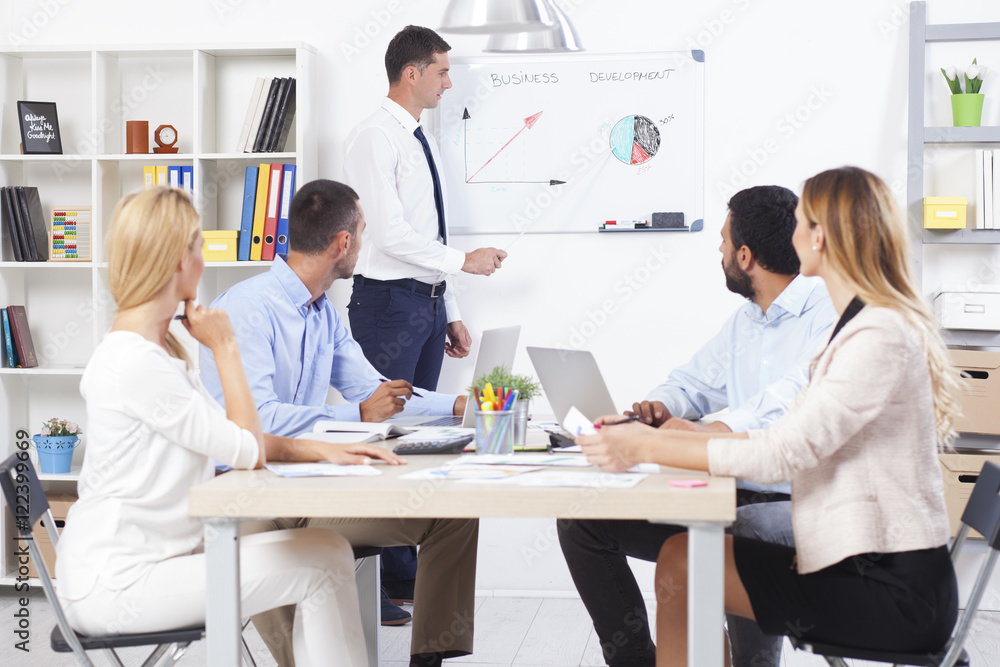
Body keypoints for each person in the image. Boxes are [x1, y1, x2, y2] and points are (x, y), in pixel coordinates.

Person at [579, 167, 961, 667]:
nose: (790, 233)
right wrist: (659, 437)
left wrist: (647, 445)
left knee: (688, 564)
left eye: (801, 221)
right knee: (680, 559)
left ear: (820, 237)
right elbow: (783, 434)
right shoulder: (855, 326)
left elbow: (783, 451)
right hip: (856, 559)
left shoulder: (876, 335)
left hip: (891, 589)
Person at [54, 187, 369, 666]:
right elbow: (245, 448)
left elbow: (232, 438)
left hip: (149, 563)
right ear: (180, 260)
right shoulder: (138, 363)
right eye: (200, 247)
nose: (204, 261)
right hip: (119, 583)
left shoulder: (156, 352)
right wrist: (226, 347)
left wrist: (324, 450)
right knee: (324, 560)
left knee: (327, 549)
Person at [200, 179, 479, 667]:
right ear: (343, 242)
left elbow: (377, 394)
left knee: (452, 513)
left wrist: (457, 406)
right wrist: (358, 414)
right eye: (363, 232)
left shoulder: (322, 313)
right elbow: (256, 422)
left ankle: (427, 661)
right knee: (287, 601)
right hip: (248, 499)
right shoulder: (246, 309)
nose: (363, 244)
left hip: (310, 491)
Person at [558, 185, 836, 667]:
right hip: (727, 490)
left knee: (738, 535)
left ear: (745, 256)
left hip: (796, 500)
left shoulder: (829, 312)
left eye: (724, 241)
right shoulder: (747, 320)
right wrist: (660, 408)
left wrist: (709, 431)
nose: (720, 251)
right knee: (584, 520)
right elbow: (693, 382)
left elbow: (793, 398)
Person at [342, 23, 506, 621]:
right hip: (388, 304)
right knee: (385, 431)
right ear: (410, 74)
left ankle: (403, 577)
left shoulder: (420, 138)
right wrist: (464, 263)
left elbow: (428, 232)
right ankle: (377, 585)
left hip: (426, 303)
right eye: (441, 71)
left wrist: (451, 309)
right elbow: (388, 235)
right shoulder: (374, 137)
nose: (448, 82)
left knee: (419, 436)